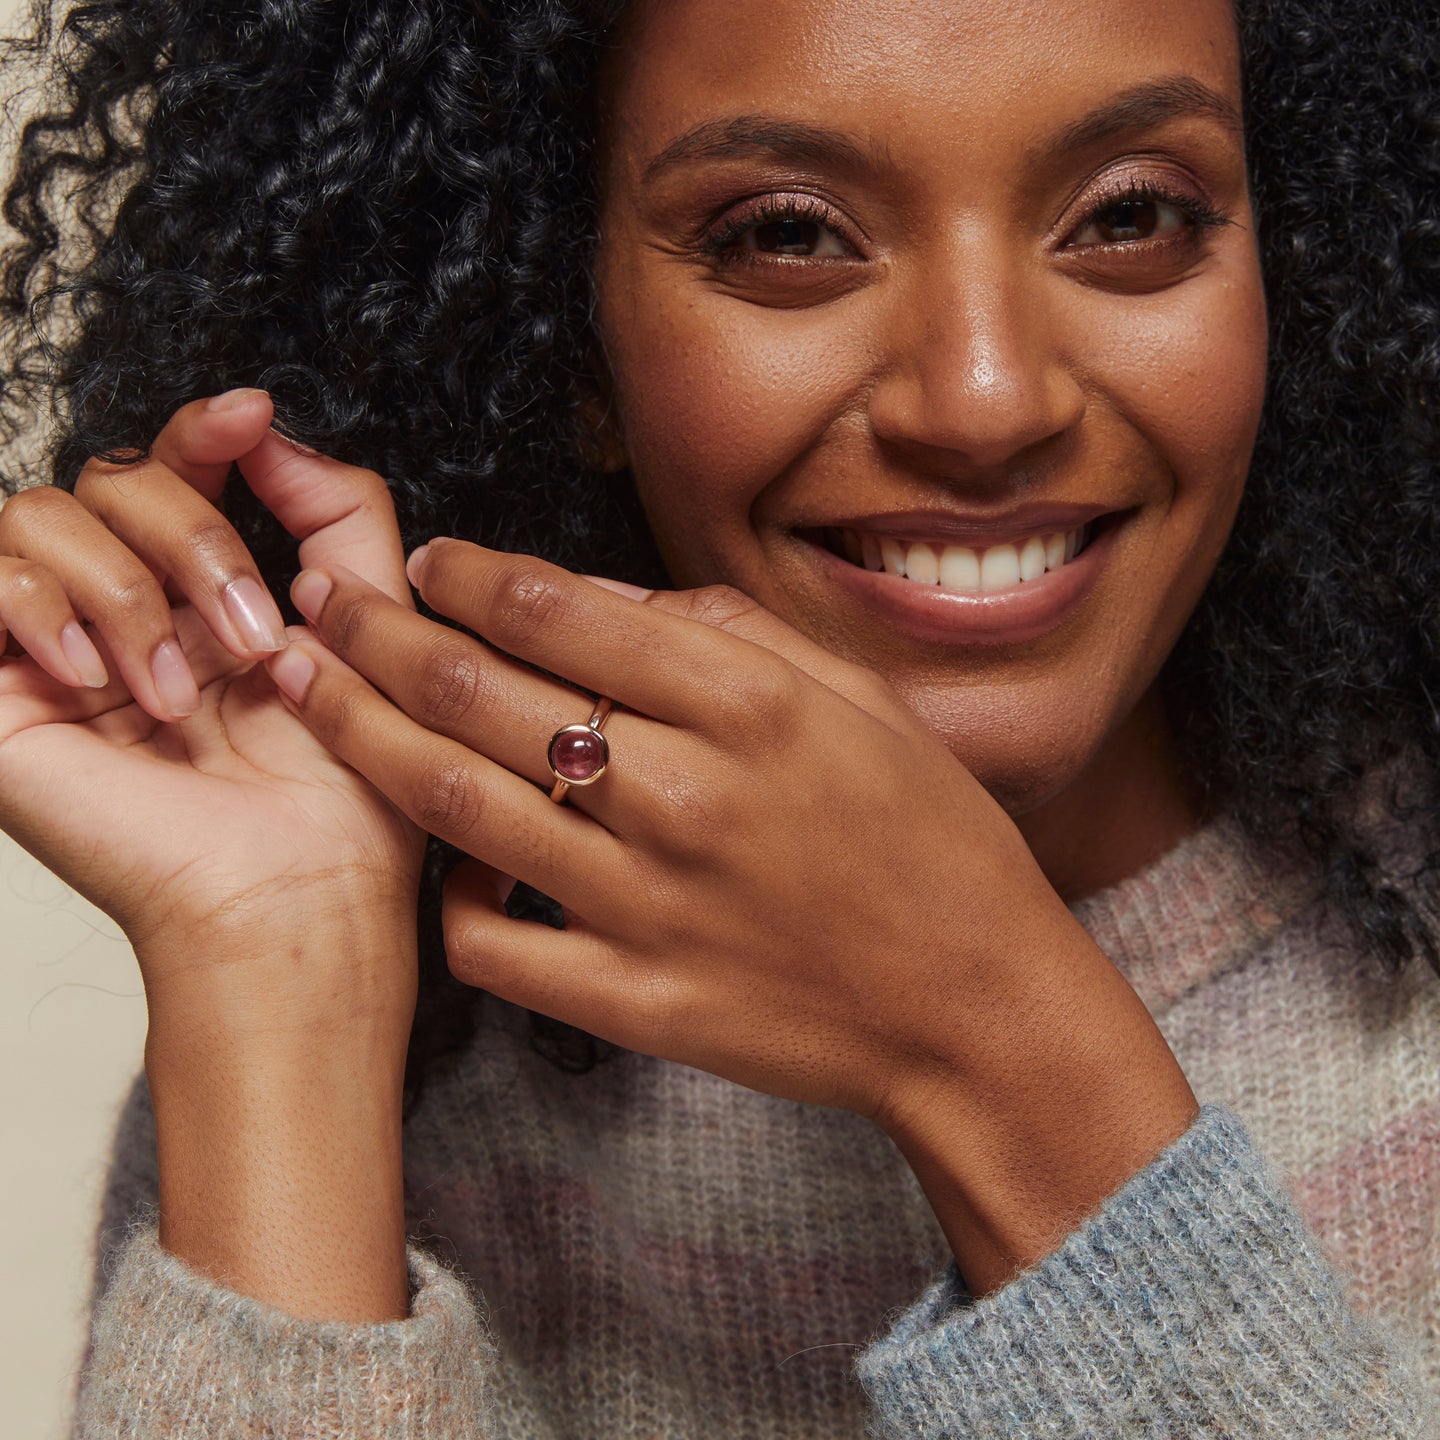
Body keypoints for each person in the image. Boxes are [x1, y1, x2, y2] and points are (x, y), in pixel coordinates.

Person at [0, 0, 1436, 1433]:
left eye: (1132, 215)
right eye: (789, 235)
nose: (986, 399)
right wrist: (287, 984)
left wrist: (992, 1044)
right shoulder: (410, 1053)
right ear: (572, 338)